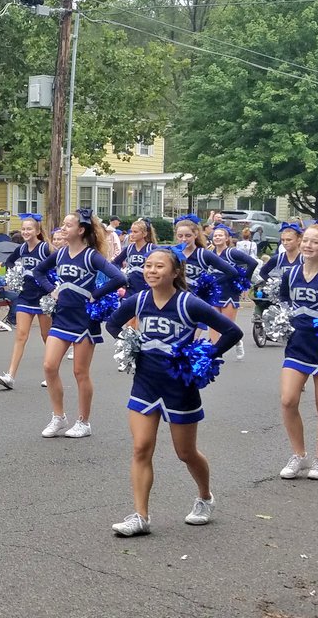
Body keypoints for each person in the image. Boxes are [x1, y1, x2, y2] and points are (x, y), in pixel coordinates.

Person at [105, 248, 242, 537]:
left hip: (180, 387)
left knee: (185, 452)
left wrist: (204, 357)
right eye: (148, 266)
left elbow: (232, 332)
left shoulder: (189, 303)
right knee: (141, 447)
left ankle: (205, 497)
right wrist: (129, 343)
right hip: (145, 382)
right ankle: (141, 516)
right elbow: (113, 323)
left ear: (176, 272)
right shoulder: (139, 300)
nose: (151, 271)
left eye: (159, 267)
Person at [33, 209, 127, 438]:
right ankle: (58, 417)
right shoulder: (60, 253)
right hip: (62, 316)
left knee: (80, 372)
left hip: (84, 319)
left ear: (81, 230)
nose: (63, 229)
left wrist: (96, 294)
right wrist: (51, 290)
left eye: (68, 225)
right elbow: (39, 271)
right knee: (49, 366)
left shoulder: (91, 256)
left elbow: (119, 278)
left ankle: (83, 422)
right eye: (63, 225)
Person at [278, 224, 318, 481]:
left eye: (315, 242)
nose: (308, 245)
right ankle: (298, 454)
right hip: (298, 344)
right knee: (288, 400)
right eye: (306, 241)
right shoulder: (290, 275)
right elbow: (283, 301)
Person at [0, 213, 52, 390]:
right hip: (25, 296)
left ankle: (51, 375)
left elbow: (58, 262)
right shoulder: (21, 249)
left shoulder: (45, 248)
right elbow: (9, 262)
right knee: (21, 335)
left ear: (37, 231)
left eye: (29, 229)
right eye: (23, 229)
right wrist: (16, 275)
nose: (26, 232)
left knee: (47, 337)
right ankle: (10, 375)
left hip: (43, 297)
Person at [209, 224, 259, 360]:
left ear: (227, 238)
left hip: (229, 291)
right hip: (214, 290)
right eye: (215, 235)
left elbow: (252, 263)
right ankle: (215, 352)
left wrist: (245, 279)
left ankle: (237, 340)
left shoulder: (232, 253)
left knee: (227, 324)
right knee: (212, 322)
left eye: (220, 235)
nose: (217, 237)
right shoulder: (210, 253)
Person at [173, 216, 237, 297]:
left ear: (195, 234)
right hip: (177, 299)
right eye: (180, 236)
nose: (184, 239)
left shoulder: (203, 254)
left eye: (188, 235)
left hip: (199, 300)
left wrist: (211, 284)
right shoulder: (172, 253)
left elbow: (232, 272)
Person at [112, 218, 157, 301]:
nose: (132, 234)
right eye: (131, 231)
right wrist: (120, 276)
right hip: (130, 288)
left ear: (144, 234)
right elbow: (114, 263)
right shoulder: (129, 248)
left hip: (146, 288)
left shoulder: (151, 248)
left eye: (135, 232)